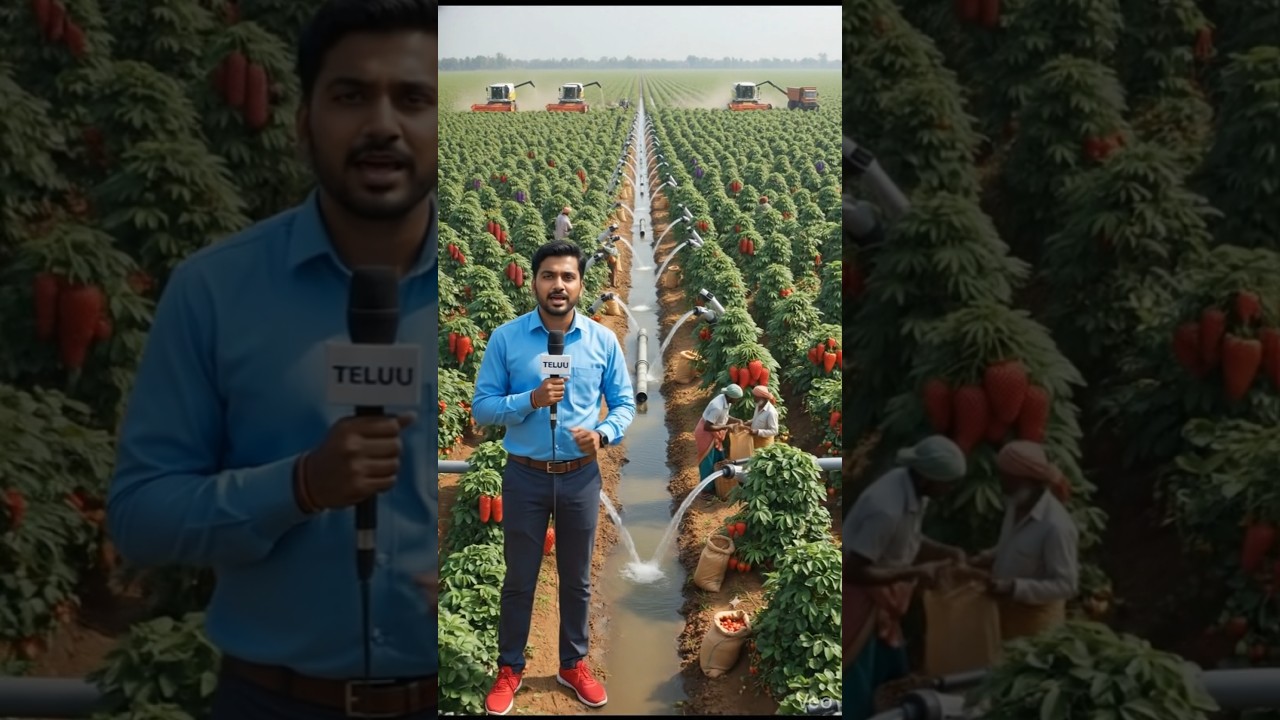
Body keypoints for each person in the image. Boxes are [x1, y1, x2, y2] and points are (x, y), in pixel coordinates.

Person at [105, 2, 439, 717]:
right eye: (351, 96)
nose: (382, 124)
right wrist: (299, 485)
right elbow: (140, 515)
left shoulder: (503, 299)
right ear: (304, 123)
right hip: (275, 700)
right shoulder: (216, 291)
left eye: (414, 98)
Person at [471, 241, 636, 715]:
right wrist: (530, 400)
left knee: (577, 578)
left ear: (580, 283)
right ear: (534, 281)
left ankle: (573, 663)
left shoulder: (602, 340)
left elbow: (624, 404)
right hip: (524, 476)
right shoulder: (506, 339)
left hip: (580, 475)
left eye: (567, 276)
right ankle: (510, 667)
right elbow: (482, 408)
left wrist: (603, 436)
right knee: (519, 577)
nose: (558, 285)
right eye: (548, 276)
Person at [843, 436, 969, 720]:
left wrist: (944, 551)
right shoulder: (885, 508)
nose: (949, 490)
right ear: (927, 479)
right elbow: (854, 570)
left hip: (884, 598)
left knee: (892, 674)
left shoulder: (913, 489)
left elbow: (908, 538)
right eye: (947, 484)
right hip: (862, 599)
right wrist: (915, 572)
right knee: (857, 678)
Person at [967, 441, 1079, 642]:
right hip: (1006, 612)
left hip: (1036, 623)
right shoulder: (1015, 503)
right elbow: (1013, 545)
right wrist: (989, 556)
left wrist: (1014, 587)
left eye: (1008, 480)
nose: (1002, 485)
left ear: (1029, 482)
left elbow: (1066, 585)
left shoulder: (1056, 526)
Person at [695, 384, 744, 491]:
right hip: (706, 434)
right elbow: (707, 426)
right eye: (737, 399)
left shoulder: (726, 401)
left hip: (715, 433)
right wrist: (727, 426)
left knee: (719, 459)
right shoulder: (717, 406)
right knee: (707, 462)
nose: (738, 401)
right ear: (731, 397)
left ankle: (717, 485)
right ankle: (706, 490)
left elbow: (725, 416)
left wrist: (736, 420)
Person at [747, 385, 779, 450]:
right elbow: (757, 419)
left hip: (765, 444)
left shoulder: (771, 412)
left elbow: (774, 431)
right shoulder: (758, 405)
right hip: (755, 440)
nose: (754, 399)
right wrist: (748, 422)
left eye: (756, 397)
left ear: (762, 398)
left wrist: (758, 432)